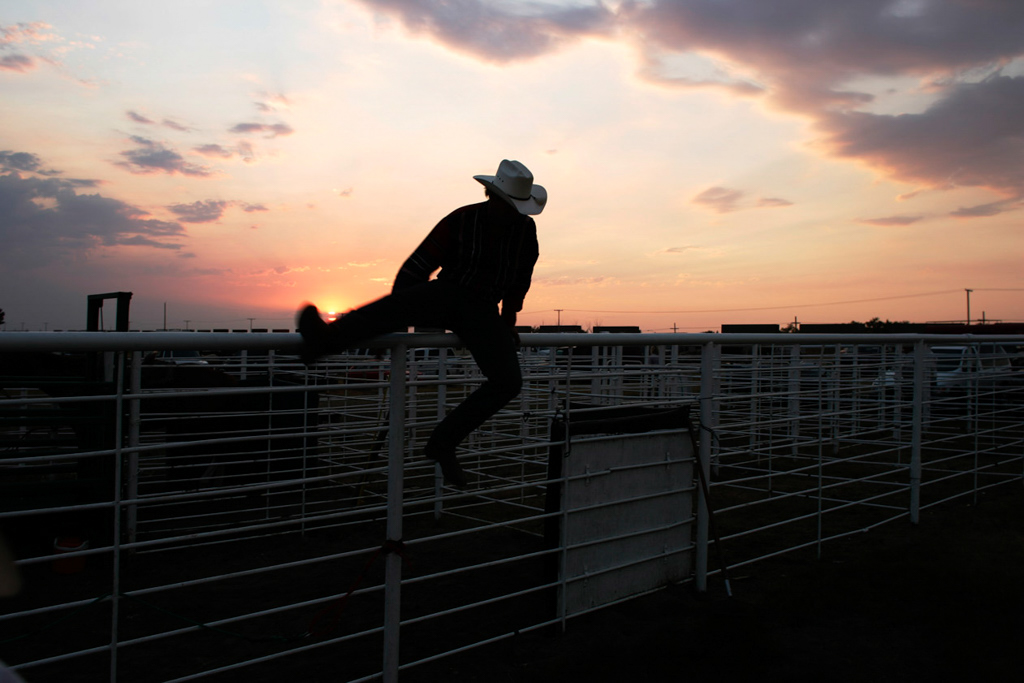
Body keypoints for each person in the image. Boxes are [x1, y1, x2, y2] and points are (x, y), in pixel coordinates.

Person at [297, 159, 545, 488]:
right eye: (509, 205)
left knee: (508, 382)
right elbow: (418, 265)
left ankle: (444, 441)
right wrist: (396, 315)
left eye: (516, 208)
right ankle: (324, 341)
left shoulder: (526, 232)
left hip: (482, 310)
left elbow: (519, 283)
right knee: (393, 305)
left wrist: (507, 320)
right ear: (492, 196)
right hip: (449, 292)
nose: (513, 213)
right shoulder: (462, 219)